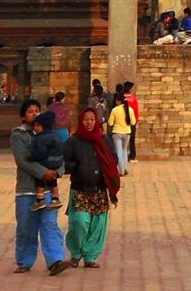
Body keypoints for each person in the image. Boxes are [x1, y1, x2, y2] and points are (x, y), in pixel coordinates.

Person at [10, 99, 71, 276]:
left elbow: (59, 155)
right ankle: (24, 261)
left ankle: (55, 261)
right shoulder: (19, 135)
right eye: (30, 111)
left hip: (48, 191)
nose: (35, 113)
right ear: (23, 115)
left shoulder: (51, 133)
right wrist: (44, 173)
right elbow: (22, 160)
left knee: (49, 224)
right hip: (27, 189)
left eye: (37, 110)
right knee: (26, 228)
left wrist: (58, 172)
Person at [63, 106, 121, 268]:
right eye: (85, 120)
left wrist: (106, 166)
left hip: (99, 189)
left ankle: (90, 256)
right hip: (80, 188)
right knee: (79, 223)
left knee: (98, 225)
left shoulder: (104, 140)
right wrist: (77, 167)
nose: (89, 123)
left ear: (96, 121)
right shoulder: (73, 141)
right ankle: (76, 253)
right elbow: (64, 162)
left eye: (92, 120)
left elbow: (113, 159)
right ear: (81, 121)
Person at [28, 111, 64, 211]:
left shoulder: (40, 138)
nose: (35, 128)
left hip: (47, 162)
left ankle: (40, 200)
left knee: (40, 179)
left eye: (38, 126)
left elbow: (40, 152)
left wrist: (31, 157)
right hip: (57, 162)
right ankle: (55, 199)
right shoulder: (56, 136)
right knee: (53, 181)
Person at [106, 92, 135, 176]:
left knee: (118, 151)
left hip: (117, 132)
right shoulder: (130, 109)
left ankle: (121, 171)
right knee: (124, 151)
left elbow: (110, 123)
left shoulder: (115, 110)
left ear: (118, 101)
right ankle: (125, 168)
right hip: (127, 132)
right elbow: (133, 122)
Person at [123, 81, 141, 161]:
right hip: (132, 122)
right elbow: (136, 112)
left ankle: (123, 154)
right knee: (132, 139)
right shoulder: (133, 100)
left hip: (123, 122)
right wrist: (135, 121)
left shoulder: (122, 99)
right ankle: (132, 155)